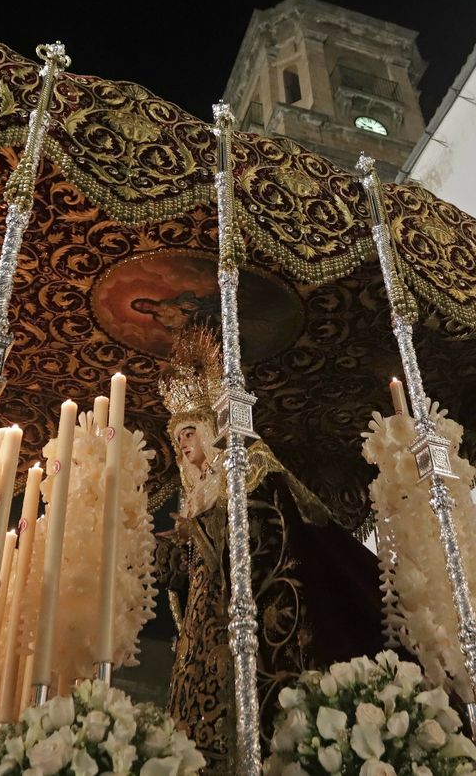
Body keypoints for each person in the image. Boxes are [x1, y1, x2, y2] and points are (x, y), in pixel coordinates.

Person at [155, 329, 387, 770]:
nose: (183, 445)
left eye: (190, 432)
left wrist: (201, 532)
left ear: (210, 429)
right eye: (178, 438)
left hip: (250, 628)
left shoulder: (249, 466)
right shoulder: (197, 498)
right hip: (203, 638)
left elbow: (265, 535)